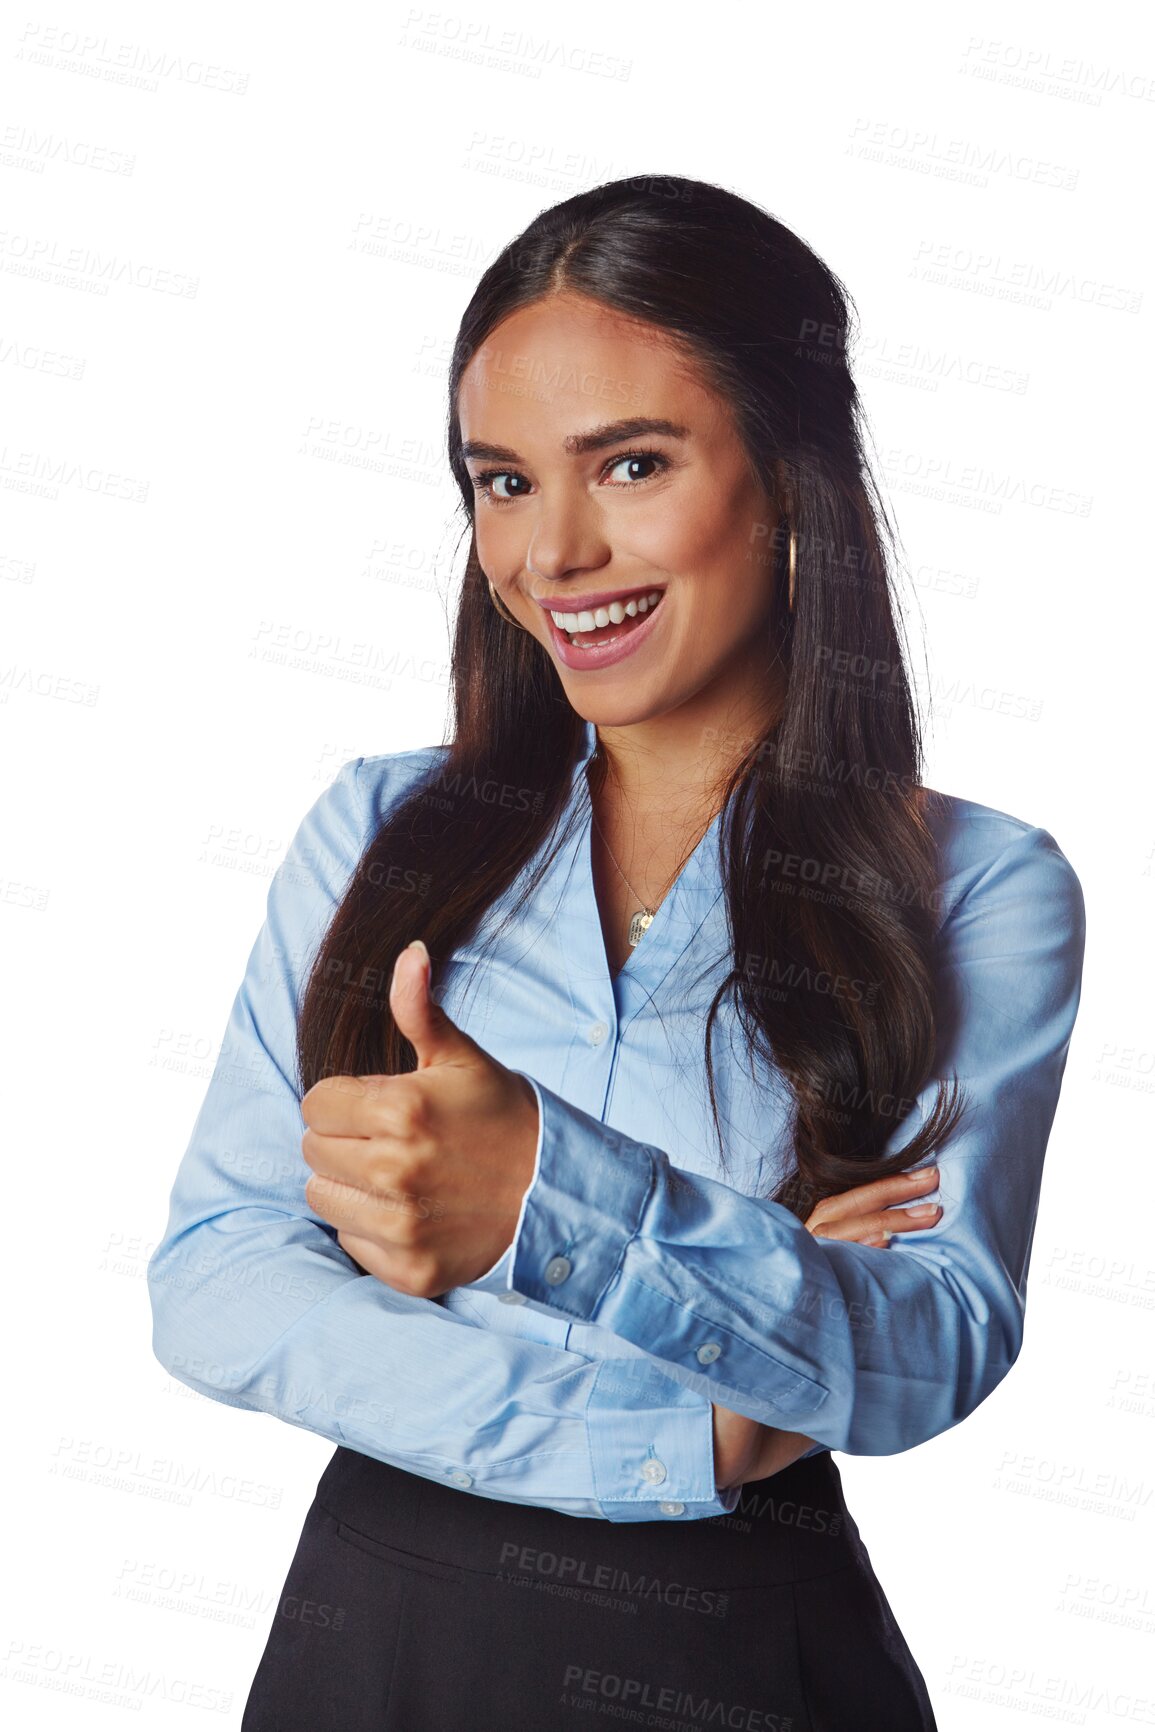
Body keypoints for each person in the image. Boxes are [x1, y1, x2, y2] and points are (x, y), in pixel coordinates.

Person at [146, 174, 1086, 1730]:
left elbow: (926, 1349)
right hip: (377, 1646)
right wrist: (685, 1417)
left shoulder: (979, 885)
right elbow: (222, 1280)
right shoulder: (377, 830)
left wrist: (543, 1195)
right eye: (501, 482)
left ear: (788, 479)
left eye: (630, 465)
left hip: (745, 1659)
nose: (554, 553)